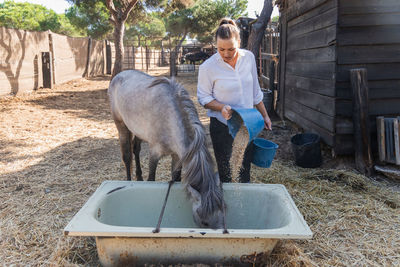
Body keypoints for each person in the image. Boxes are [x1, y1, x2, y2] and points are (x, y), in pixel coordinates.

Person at [197, 18, 272, 183]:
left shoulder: (249, 58)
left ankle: (243, 203)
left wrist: (265, 116)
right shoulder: (208, 67)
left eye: (231, 48)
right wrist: (221, 107)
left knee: (244, 171)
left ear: (239, 41)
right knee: (226, 174)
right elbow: (203, 97)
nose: (226, 54)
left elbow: (255, 92)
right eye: (221, 49)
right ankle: (226, 206)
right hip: (222, 126)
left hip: (246, 126)